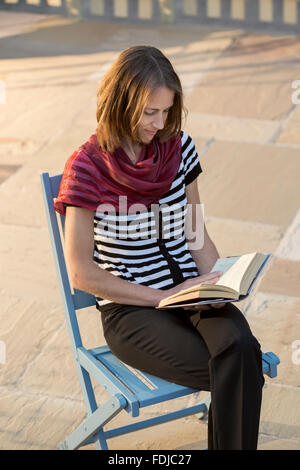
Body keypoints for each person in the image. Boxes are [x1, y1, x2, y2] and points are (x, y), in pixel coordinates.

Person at [54, 45, 265, 450]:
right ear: (120, 103)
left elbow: (195, 234)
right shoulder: (86, 167)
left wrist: (222, 281)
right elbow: (81, 271)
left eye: (166, 111)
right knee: (240, 366)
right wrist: (159, 297)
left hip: (191, 292)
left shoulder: (179, 148)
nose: (160, 123)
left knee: (240, 349)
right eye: (150, 112)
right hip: (131, 310)